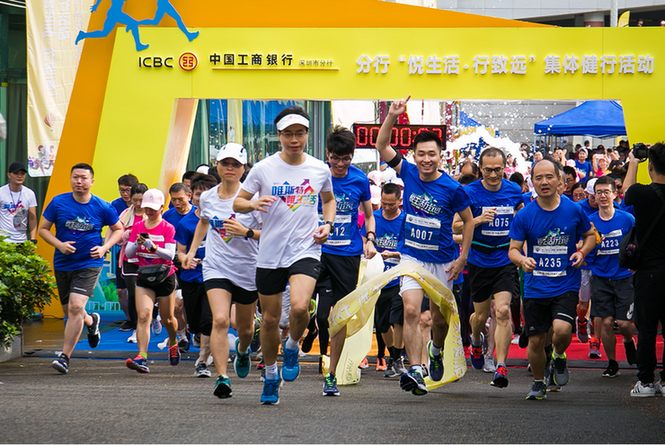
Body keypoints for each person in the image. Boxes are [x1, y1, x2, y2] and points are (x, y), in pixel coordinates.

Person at [233, 106, 335, 405]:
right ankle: (270, 376)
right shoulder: (263, 168)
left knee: (301, 307)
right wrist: (253, 205)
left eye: (299, 133)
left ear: (307, 135)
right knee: (269, 320)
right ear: (278, 136)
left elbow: (328, 199)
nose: (294, 139)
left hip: (306, 248)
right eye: (288, 134)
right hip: (270, 253)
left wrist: (328, 224)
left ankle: (292, 345)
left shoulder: (319, 168)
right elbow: (238, 202)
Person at [376, 96, 474, 396]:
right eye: (421, 154)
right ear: (414, 155)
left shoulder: (453, 189)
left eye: (432, 154)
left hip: (442, 261)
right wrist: (392, 115)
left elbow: (468, 221)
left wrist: (462, 258)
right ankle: (416, 369)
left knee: (438, 320)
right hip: (412, 257)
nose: (426, 159)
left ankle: (436, 350)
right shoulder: (407, 171)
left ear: (440, 156)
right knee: (411, 310)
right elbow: (381, 145)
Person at [509, 156, 596, 400]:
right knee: (536, 341)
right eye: (539, 178)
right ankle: (539, 383)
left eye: (549, 177)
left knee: (562, 329)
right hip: (535, 286)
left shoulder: (573, 209)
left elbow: (590, 235)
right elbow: (513, 250)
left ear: (560, 180)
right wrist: (522, 260)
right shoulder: (525, 215)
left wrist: (582, 252)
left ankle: (558, 355)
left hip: (565, 283)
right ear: (532, 182)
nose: (544, 182)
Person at [184, 144, 262, 397]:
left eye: (235, 164)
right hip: (216, 267)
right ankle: (222, 377)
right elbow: (203, 222)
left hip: (247, 268)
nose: (230, 168)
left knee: (245, 329)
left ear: (244, 168)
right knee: (219, 319)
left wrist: (246, 232)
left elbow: (269, 234)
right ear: (217, 166)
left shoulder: (252, 197)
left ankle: (242, 350)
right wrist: (191, 252)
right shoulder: (208, 197)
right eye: (225, 163)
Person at [310, 125, 377, 397]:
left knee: (338, 317)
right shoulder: (316, 176)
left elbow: (369, 216)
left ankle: (332, 375)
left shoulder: (359, 180)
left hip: (347, 255)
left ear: (352, 156)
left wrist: (370, 239)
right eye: (335, 158)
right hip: (315, 251)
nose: (340, 164)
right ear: (327, 154)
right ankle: (302, 332)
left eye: (345, 159)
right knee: (303, 307)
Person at [39, 163, 123, 374]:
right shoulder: (58, 202)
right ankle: (91, 321)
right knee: (69, 311)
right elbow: (43, 229)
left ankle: (64, 357)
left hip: (89, 263)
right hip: (63, 262)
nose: (79, 181)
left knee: (76, 307)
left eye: (84, 178)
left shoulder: (102, 206)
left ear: (92, 182)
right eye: (75, 177)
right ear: (70, 179)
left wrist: (104, 247)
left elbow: (118, 229)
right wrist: (59, 244)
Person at [454, 147, 524, 388]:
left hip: (505, 259)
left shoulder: (514, 190)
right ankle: (476, 340)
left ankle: (501, 364)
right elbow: (456, 226)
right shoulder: (469, 192)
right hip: (479, 260)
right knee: (480, 316)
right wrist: (478, 220)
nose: (493, 175)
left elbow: (521, 218)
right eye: (488, 170)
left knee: (502, 311)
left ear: (505, 168)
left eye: (498, 170)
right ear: (479, 170)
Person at [623, 143, 665, 397]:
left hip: (649, 273)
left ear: (650, 166)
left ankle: (646, 382)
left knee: (647, 330)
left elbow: (626, 191)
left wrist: (633, 162)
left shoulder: (642, 193)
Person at [124, 189, 180, 373]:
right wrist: (137, 243)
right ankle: (142, 357)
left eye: (153, 208)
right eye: (146, 207)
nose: (149, 211)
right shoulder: (138, 226)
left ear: (161, 208)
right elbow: (129, 254)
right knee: (143, 315)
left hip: (165, 276)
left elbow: (170, 255)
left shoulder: (168, 227)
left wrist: (152, 246)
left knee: (168, 319)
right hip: (144, 275)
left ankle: (173, 342)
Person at [587, 176, 637, 378]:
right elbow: (584, 249)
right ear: (594, 196)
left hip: (624, 277)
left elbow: (637, 243)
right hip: (600, 278)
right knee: (606, 323)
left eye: (606, 192)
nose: (602, 196)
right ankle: (612, 363)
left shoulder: (627, 219)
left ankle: (628, 341)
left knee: (624, 324)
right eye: (598, 192)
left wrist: (636, 265)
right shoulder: (589, 222)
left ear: (615, 194)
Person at [176, 174, 217, 378]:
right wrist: (186, 259)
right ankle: (200, 337)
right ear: (192, 196)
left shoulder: (222, 219)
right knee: (195, 323)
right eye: (198, 194)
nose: (202, 198)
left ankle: (202, 361)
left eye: (206, 193)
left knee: (208, 320)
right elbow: (180, 252)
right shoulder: (186, 223)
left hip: (214, 276)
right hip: (191, 277)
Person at [369, 183, 407, 378]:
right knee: (382, 324)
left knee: (398, 320)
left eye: (391, 204)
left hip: (399, 277)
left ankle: (398, 359)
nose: (387, 207)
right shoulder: (374, 218)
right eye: (384, 203)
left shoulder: (405, 220)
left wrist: (392, 254)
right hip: (378, 279)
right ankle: (393, 357)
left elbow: (410, 249)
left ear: (400, 201)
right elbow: (365, 241)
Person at [163, 183, 196, 352]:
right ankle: (182, 337)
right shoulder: (168, 216)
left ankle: (196, 331)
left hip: (195, 265)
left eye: (180, 199)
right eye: (174, 199)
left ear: (189, 196)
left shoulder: (198, 214)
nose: (177, 203)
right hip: (173, 264)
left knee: (191, 304)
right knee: (176, 305)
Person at [115, 183, 148, 342]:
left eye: (142, 200)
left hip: (148, 260)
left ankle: (152, 318)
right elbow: (118, 239)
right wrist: (129, 233)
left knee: (149, 295)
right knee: (133, 294)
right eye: (135, 200)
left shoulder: (153, 214)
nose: (139, 204)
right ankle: (136, 328)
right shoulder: (125, 214)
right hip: (129, 259)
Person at [110, 174, 139, 332]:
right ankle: (129, 319)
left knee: (138, 291)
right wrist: (107, 245)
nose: (124, 194)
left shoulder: (145, 206)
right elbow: (112, 227)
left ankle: (143, 319)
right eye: (121, 190)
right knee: (122, 290)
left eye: (128, 190)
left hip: (143, 255)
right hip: (124, 252)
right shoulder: (117, 205)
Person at [1, 162, 37, 243]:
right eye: (16, 173)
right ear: (9, 175)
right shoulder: (1, 192)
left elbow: (32, 218)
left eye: (22, 174)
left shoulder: (30, 194)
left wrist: (33, 239)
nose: (19, 176)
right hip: (4, 240)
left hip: (22, 240)